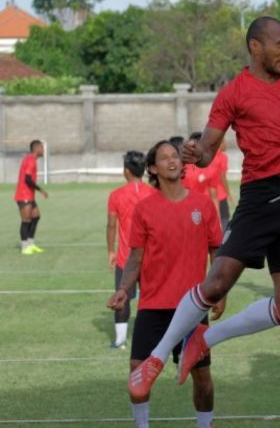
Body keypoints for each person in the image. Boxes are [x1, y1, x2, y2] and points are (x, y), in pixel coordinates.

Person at [126, 16, 280, 399]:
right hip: (261, 198)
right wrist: (196, 153)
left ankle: (206, 337)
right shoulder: (234, 93)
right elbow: (208, 150)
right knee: (217, 282)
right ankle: (156, 359)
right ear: (255, 47)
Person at [107, 140, 223, 428]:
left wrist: (220, 292)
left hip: (193, 307)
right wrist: (123, 289)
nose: (172, 161)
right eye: (164, 157)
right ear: (152, 168)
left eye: (176, 156)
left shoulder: (203, 204)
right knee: (137, 372)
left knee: (203, 379)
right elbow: (135, 256)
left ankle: (204, 425)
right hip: (153, 306)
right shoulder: (145, 209)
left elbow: (217, 251)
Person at [106, 151, 155, 349]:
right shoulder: (153, 193)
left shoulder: (116, 195)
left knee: (122, 296)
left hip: (126, 256)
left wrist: (110, 250)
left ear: (126, 171)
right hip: (150, 256)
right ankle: (153, 338)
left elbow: (111, 225)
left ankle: (120, 340)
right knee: (151, 298)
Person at [15, 139, 48, 255]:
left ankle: (31, 243)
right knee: (26, 221)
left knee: (36, 216)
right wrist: (40, 190)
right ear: (37, 148)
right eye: (42, 148)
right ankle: (25, 247)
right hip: (23, 195)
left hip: (29, 195)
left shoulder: (32, 159)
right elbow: (27, 179)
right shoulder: (30, 160)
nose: (43, 150)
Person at [210, 138, 233, 230]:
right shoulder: (222, 157)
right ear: (220, 143)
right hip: (220, 194)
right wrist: (228, 194)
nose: (226, 145)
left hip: (208, 194)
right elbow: (223, 178)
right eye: (224, 143)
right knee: (225, 219)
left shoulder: (209, 156)